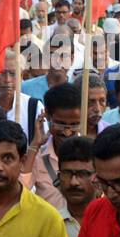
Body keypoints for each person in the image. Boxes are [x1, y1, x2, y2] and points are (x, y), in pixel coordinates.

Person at [23, 81, 83, 210]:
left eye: (74, 125)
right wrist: (34, 145)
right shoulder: (37, 156)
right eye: (60, 124)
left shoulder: (91, 153)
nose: (67, 132)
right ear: (47, 117)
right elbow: (20, 190)